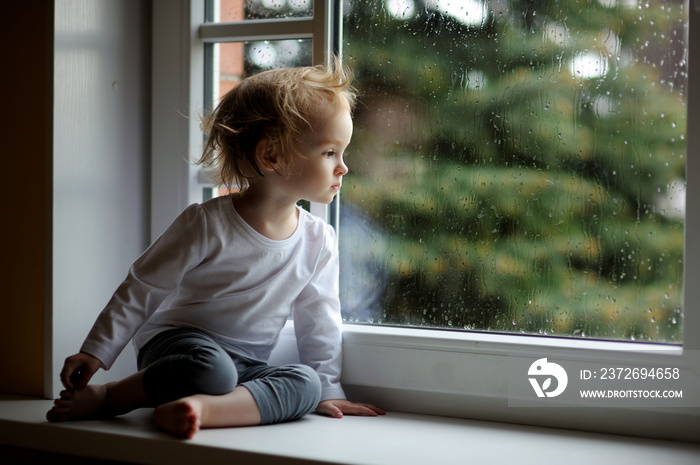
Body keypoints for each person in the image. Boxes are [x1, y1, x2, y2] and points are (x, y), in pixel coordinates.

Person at [46, 59, 385, 439]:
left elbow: (320, 318)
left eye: (343, 153)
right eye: (329, 152)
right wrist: (97, 351)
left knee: (305, 384)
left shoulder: (319, 240)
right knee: (212, 369)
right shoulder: (207, 223)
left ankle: (199, 411)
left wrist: (328, 389)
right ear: (271, 156)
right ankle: (111, 397)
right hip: (181, 349)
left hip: (246, 364)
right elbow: (143, 286)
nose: (343, 168)